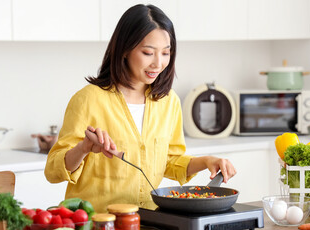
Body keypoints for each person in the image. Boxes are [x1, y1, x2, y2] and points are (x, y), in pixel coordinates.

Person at [45, 4, 236, 212]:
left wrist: (208, 161)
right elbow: (53, 171)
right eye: (148, 52)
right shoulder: (88, 99)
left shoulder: (168, 101)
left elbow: (170, 161)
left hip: (149, 224)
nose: (158, 63)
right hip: (98, 226)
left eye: (165, 53)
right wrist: (83, 149)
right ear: (125, 50)